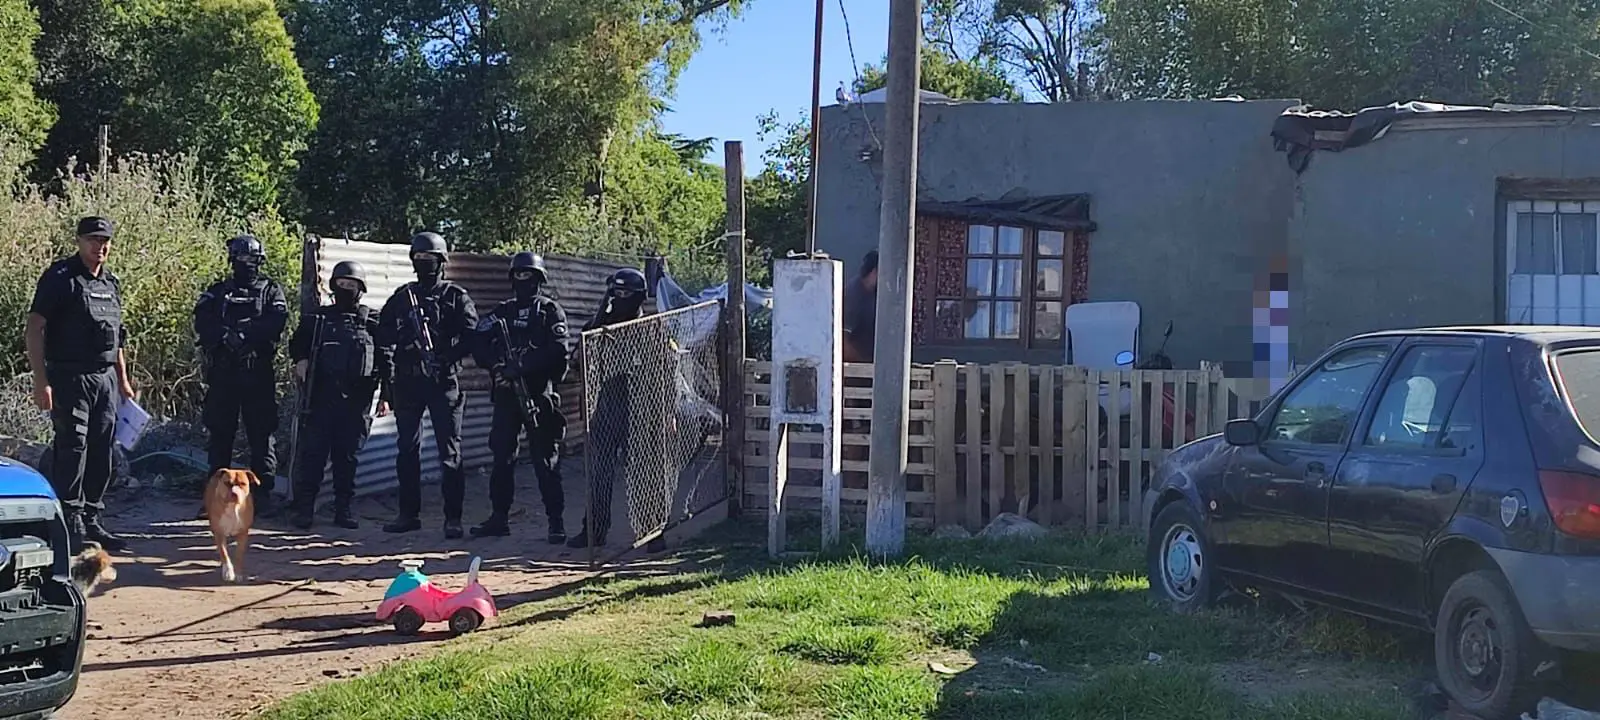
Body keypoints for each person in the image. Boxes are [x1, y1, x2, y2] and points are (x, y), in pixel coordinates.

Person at [25, 216, 137, 552]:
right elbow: (34, 328)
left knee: (102, 448)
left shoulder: (111, 283)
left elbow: (117, 337)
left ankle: (92, 518)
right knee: (72, 446)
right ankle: (68, 520)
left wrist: (123, 380)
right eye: (92, 239)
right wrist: (41, 380)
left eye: (104, 240)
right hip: (69, 376)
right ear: (79, 241)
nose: (99, 246)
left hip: (105, 379)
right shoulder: (61, 278)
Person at [377, 231, 479, 538]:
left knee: (450, 452)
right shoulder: (402, 297)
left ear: (441, 261)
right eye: (419, 258)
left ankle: (453, 518)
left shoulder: (455, 296)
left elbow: (472, 336)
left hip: (442, 382)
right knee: (407, 450)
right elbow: (383, 334)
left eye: (429, 258)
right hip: (408, 382)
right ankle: (408, 514)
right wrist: (402, 343)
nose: (424, 263)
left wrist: (447, 357)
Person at [467, 252, 570, 543]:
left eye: (529, 276)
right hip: (506, 396)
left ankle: (556, 522)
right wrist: (497, 366)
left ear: (539, 279)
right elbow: (477, 340)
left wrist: (522, 367)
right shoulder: (503, 312)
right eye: (519, 275)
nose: (524, 281)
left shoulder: (550, 311)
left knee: (545, 461)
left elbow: (558, 349)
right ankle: (499, 518)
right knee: (502, 458)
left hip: (538, 395)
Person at [567, 267, 668, 550]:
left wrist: (664, 413)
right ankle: (594, 530)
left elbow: (664, 372)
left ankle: (653, 532)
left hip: (641, 407)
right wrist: (598, 325)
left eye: (626, 294)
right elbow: (577, 364)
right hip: (606, 406)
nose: (621, 299)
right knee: (599, 473)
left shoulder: (650, 327)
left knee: (643, 474)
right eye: (617, 293)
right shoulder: (600, 326)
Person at [287, 261, 391, 529]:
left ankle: (343, 510)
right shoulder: (318, 319)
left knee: (347, 459)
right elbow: (297, 343)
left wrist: (386, 395)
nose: (346, 289)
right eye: (342, 284)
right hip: (321, 398)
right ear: (333, 286)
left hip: (356, 402)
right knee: (313, 456)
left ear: (360, 289)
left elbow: (386, 358)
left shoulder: (372, 321)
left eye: (351, 285)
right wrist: (301, 360)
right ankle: (305, 510)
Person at [193, 234, 288, 517]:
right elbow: (202, 320)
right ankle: (215, 497)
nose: (246, 264)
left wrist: (246, 334)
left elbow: (277, 321)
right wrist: (225, 336)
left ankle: (262, 495)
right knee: (220, 436)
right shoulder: (218, 291)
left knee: (262, 435)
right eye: (241, 258)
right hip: (223, 374)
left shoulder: (270, 290)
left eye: (251, 259)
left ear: (260, 261)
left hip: (257, 373)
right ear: (232, 260)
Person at [842, 250, 879, 362]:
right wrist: (864, 364)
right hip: (855, 365)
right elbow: (842, 343)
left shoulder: (875, 293)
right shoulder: (853, 295)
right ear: (875, 272)